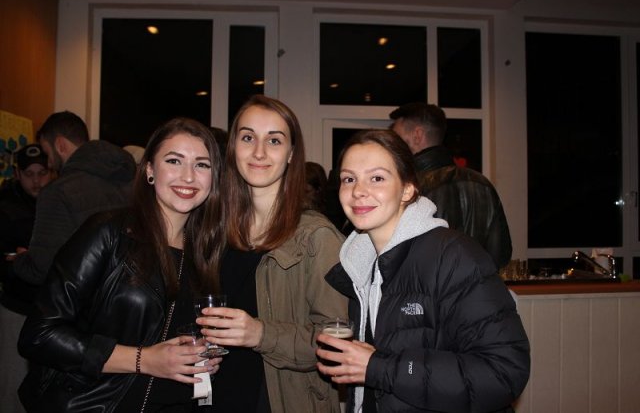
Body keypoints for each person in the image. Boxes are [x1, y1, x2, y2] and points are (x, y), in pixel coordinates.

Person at [17, 117, 226, 412]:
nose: (188, 176)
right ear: (150, 170)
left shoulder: (207, 252)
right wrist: (143, 360)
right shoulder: (108, 233)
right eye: (174, 161)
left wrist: (203, 360)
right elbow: (39, 335)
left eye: (201, 165)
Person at [316, 130, 530, 413]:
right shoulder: (361, 266)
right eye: (349, 179)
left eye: (377, 178)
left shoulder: (454, 256)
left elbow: (503, 372)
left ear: (407, 189)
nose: (358, 191)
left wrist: (380, 367)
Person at [196, 94, 348, 413]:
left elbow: (335, 342)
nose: (259, 152)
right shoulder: (213, 230)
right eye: (248, 137)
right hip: (216, 397)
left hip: (284, 401)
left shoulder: (316, 237)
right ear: (233, 148)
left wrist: (259, 334)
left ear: (291, 154)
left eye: (274, 140)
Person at [9, 111, 136, 287]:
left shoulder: (57, 192)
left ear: (60, 145)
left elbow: (41, 270)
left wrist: (20, 260)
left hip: (85, 300)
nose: (49, 163)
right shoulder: (132, 180)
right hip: (127, 294)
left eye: (47, 153)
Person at [390, 102, 513, 268]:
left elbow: (397, 257)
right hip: (479, 283)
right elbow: (501, 255)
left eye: (396, 137)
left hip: (427, 285)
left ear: (417, 135)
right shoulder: (482, 183)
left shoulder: (409, 189)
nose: (392, 146)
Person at [0, 144, 52, 413]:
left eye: (42, 173)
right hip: (16, 306)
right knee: (12, 383)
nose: (36, 180)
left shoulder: (57, 202)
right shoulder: (5, 205)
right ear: (17, 174)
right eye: (29, 173)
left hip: (50, 311)